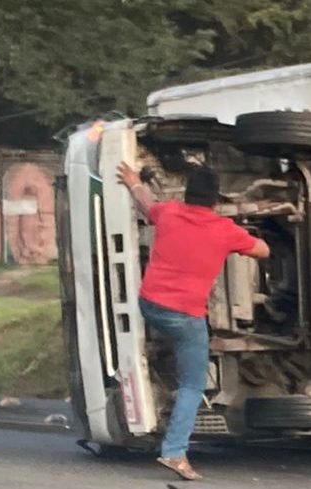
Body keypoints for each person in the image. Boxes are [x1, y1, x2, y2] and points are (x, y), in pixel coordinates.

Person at [117, 162, 269, 481]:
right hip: (185, 315)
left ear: (187, 195)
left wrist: (132, 182)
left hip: (151, 304)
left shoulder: (169, 213)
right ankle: (174, 452)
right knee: (192, 384)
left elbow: (145, 203)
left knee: (179, 345)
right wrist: (247, 236)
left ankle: (168, 390)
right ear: (215, 200)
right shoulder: (225, 229)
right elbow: (263, 251)